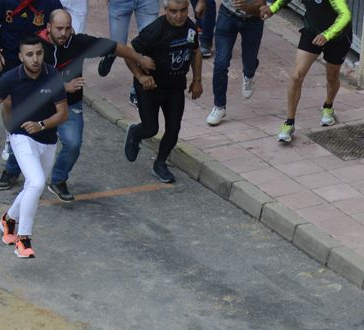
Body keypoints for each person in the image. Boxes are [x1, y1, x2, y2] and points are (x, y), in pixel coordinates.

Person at [0, 34, 67, 258]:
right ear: (21, 56)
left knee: (34, 187)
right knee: (37, 182)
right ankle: (23, 239)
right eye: (29, 54)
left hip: (47, 139)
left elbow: (63, 113)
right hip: (21, 136)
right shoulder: (11, 78)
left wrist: (42, 125)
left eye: (39, 53)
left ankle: (8, 219)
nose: (35, 59)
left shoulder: (53, 76)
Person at [39, 8, 121, 202]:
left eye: (68, 28)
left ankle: (58, 180)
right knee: (27, 140)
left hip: (70, 105)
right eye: (59, 28)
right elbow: (32, 83)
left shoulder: (78, 43)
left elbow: (116, 47)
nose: (64, 33)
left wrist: (138, 59)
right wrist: (63, 86)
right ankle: (11, 170)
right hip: (41, 104)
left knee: (74, 144)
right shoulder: (36, 46)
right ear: (48, 27)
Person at [0, 0, 63, 190]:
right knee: (10, 102)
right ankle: (12, 139)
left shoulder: (50, 2)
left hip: (38, 62)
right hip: (9, 60)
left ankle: (18, 165)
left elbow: (60, 26)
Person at [122, 0, 199, 183]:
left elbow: (195, 52)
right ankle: (135, 133)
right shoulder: (155, 30)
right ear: (165, 10)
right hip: (151, 88)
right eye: (173, 11)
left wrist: (197, 80)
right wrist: (140, 75)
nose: (179, 16)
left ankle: (160, 163)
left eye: (182, 11)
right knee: (151, 128)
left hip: (175, 88)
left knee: (174, 129)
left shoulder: (190, 28)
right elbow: (129, 51)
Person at [268, 0, 349, 144]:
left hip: (337, 36)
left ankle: (328, 106)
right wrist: (272, 9)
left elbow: (345, 15)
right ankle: (289, 123)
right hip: (312, 31)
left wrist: (327, 35)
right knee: (296, 76)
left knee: (332, 76)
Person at [201, 0, 266, 127]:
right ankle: (219, 106)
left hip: (254, 20)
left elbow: (267, 8)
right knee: (221, 63)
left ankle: (249, 75)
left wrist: (252, 7)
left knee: (250, 60)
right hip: (228, 15)